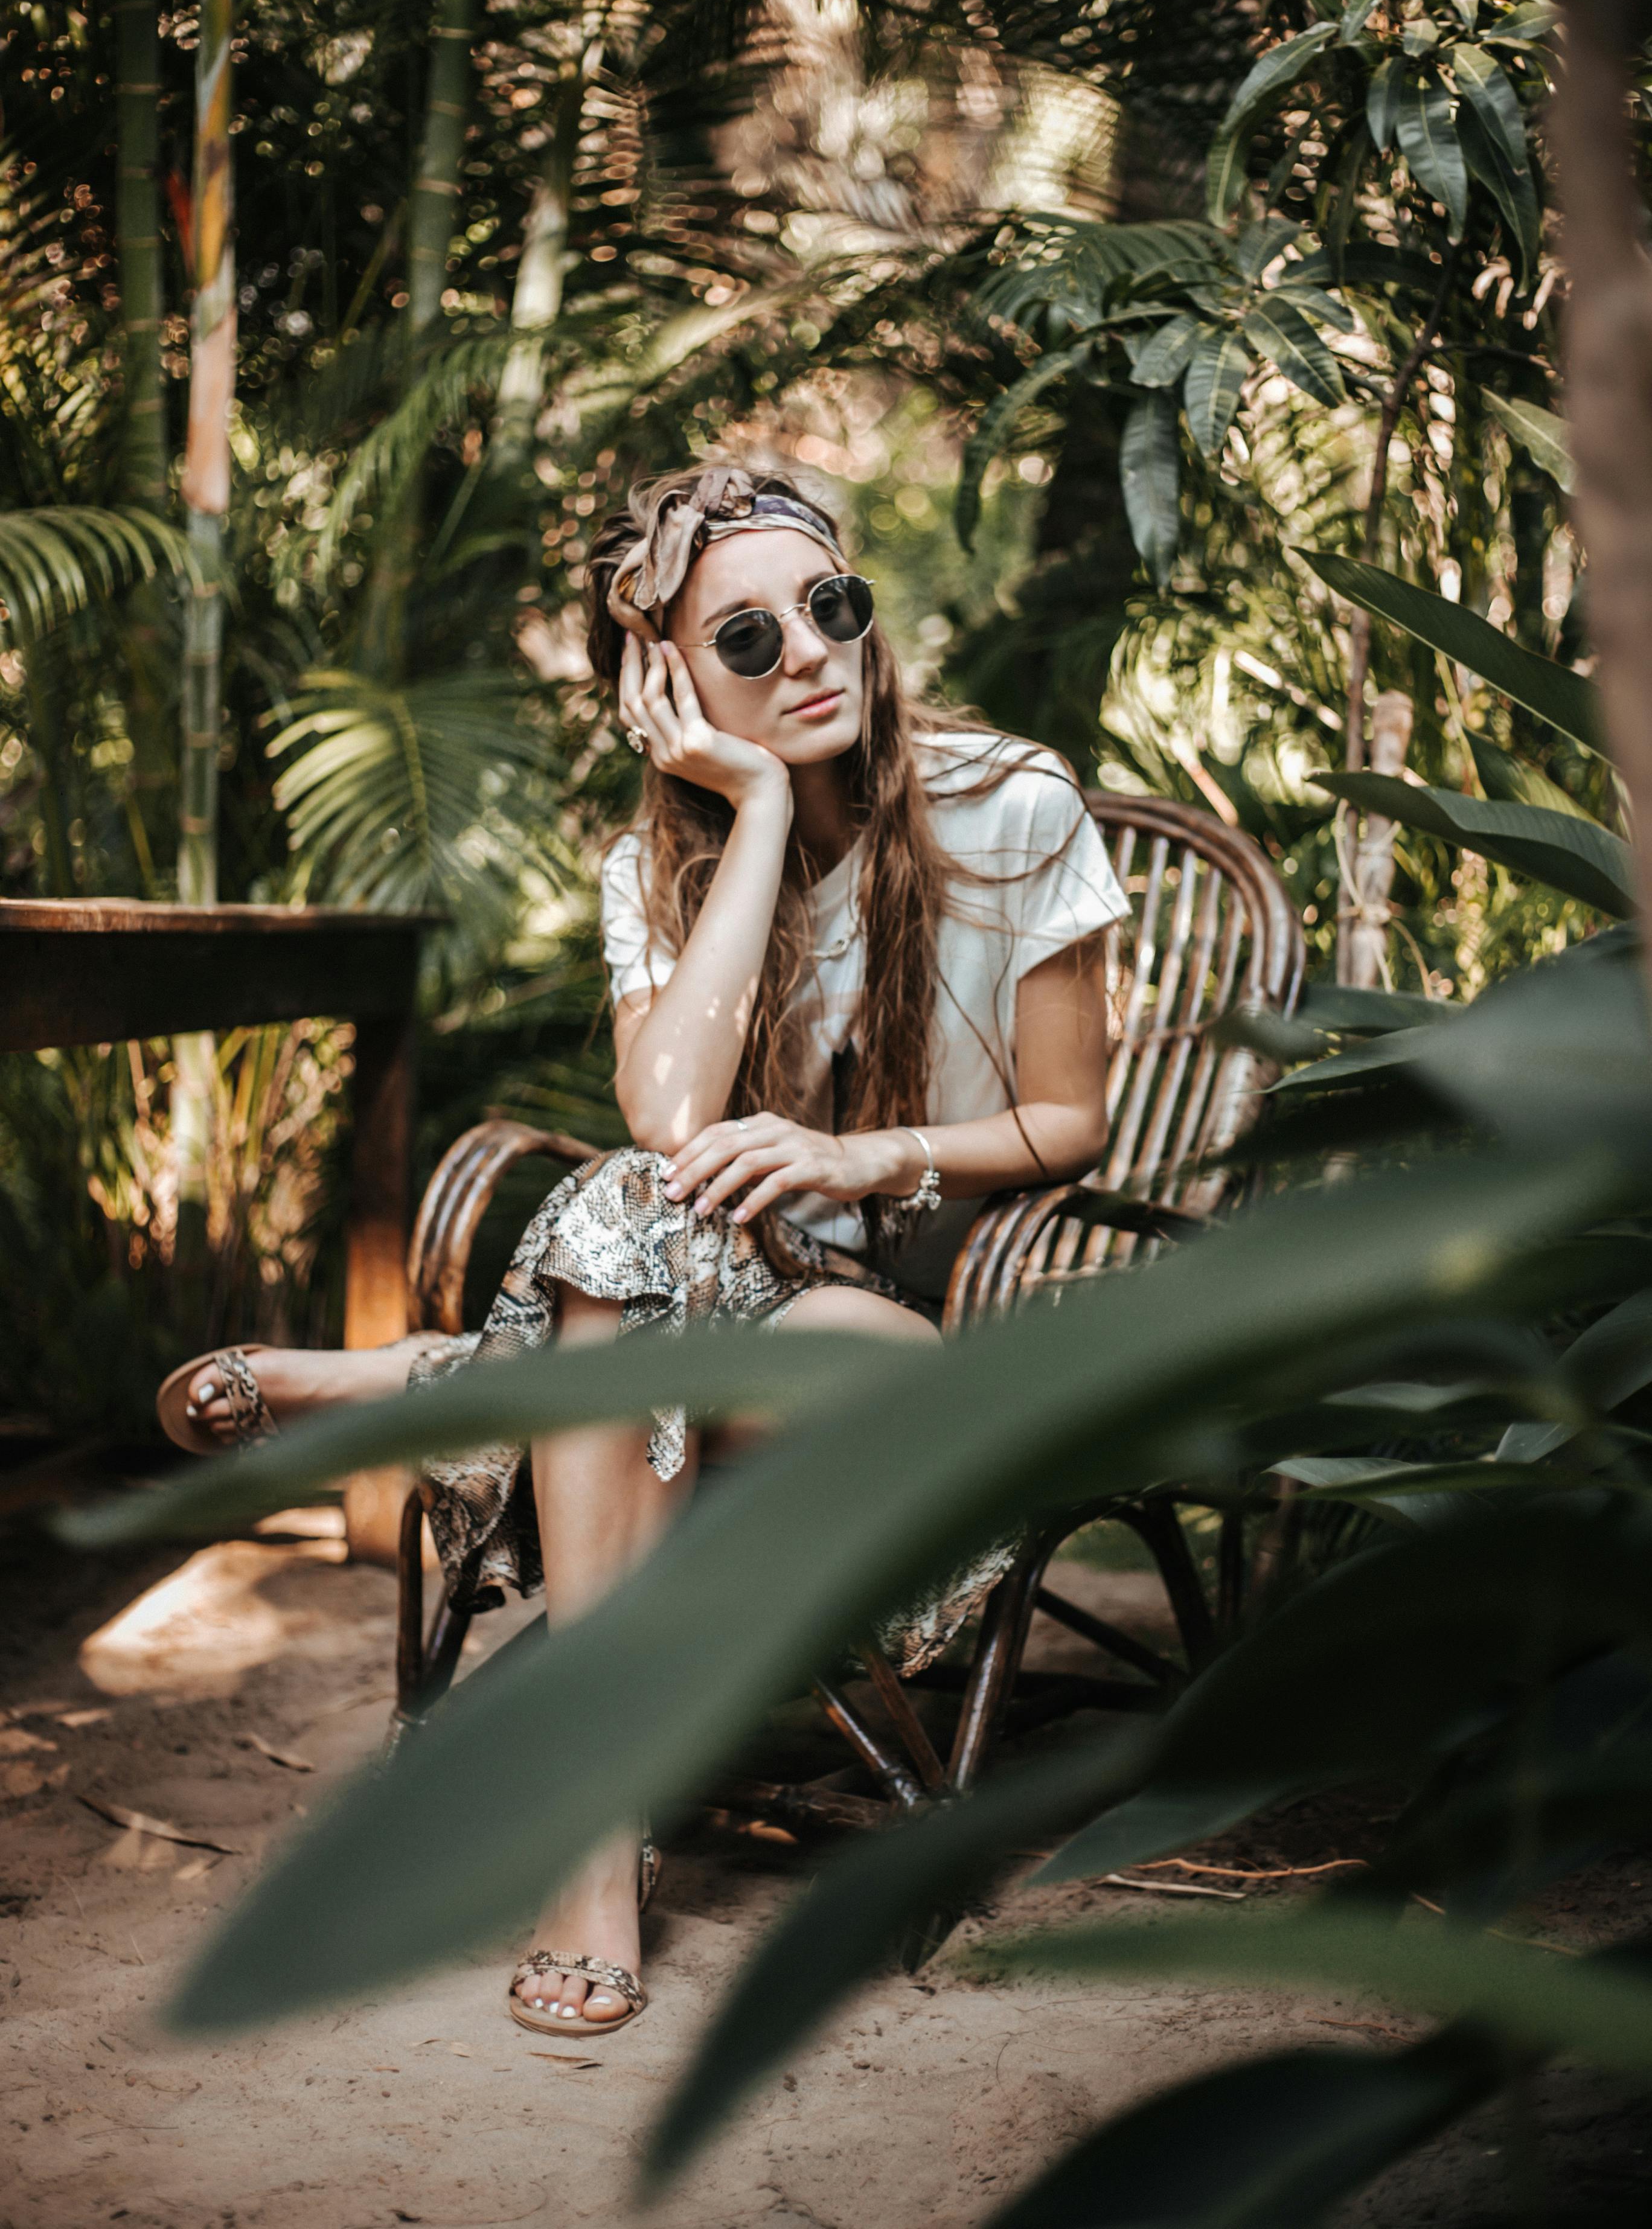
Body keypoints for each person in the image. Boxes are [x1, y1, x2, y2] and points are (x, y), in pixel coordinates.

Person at [156, 462, 1129, 2038]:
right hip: (712, 1318)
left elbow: (1071, 1119)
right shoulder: (656, 871)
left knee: (617, 1274)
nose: (810, 653)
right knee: (626, 1212)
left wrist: (865, 1149)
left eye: (832, 607)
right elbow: (672, 1115)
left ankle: (424, 1392)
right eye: (746, 639)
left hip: (912, 1341)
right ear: (665, 682)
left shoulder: (1012, 804)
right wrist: (749, 816)